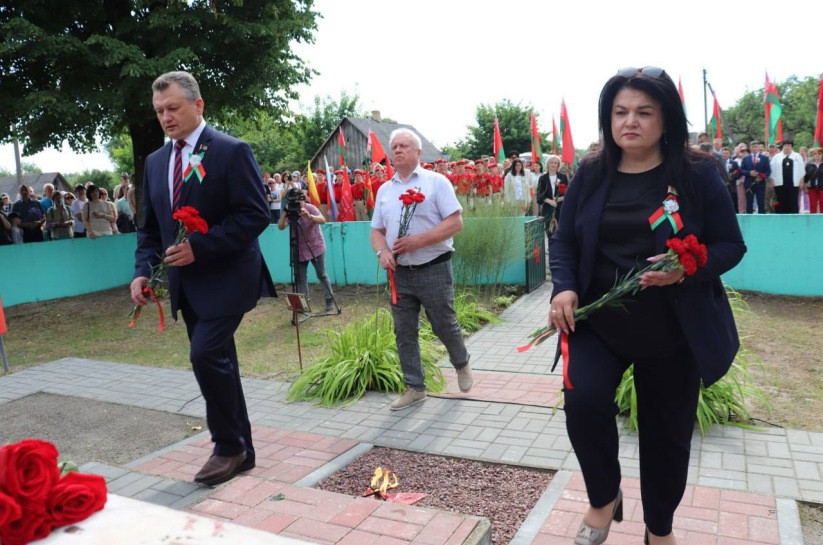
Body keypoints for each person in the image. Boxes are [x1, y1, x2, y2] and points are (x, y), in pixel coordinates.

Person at [549, 67, 746, 545]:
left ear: (666, 119)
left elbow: (730, 245)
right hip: (600, 321)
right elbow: (565, 240)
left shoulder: (697, 173)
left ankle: (659, 528)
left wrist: (687, 268)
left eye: (643, 112)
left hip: (674, 329)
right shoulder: (592, 173)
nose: (629, 122)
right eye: (620, 112)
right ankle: (604, 497)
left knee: (667, 436)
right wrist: (564, 288)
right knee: (583, 403)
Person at [130, 70, 275, 487]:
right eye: (160, 111)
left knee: (205, 355)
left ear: (198, 105)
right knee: (219, 361)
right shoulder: (156, 162)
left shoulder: (231, 150)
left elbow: (255, 215)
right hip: (186, 286)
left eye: (173, 108)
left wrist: (202, 246)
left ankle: (227, 447)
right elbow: (151, 229)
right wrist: (143, 272)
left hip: (229, 277)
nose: (166, 117)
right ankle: (243, 450)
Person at [370, 128, 473, 411]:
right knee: (403, 331)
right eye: (394, 147)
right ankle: (415, 387)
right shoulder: (385, 190)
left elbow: (455, 222)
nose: (397, 150)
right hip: (400, 273)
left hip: (433, 268)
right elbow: (376, 231)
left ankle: (461, 363)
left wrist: (418, 240)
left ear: (418, 152)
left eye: (403, 146)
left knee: (444, 324)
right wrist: (382, 252)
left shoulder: (436, 182)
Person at [277, 183, 336, 314]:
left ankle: (329, 300)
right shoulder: (290, 212)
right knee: (300, 278)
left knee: (322, 274)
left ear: (302, 199)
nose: (296, 204)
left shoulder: (310, 208)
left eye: (298, 201)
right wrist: (285, 213)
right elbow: (280, 227)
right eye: (293, 201)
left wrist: (309, 216)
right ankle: (304, 305)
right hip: (299, 248)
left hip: (316, 246)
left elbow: (323, 220)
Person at [770, 138, 805, 214]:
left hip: (794, 183)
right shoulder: (776, 157)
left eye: (789, 145)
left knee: (793, 201)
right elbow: (772, 170)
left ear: (792, 146)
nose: (787, 147)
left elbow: (802, 170)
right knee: (781, 201)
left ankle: (793, 217)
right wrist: (772, 181)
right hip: (779, 183)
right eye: (785, 145)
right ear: (783, 146)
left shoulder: (797, 156)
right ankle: (781, 217)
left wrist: (801, 181)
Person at [536, 155, 569, 235]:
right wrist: (550, 201)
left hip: (561, 208)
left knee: (561, 232)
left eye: (555, 163)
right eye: (551, 163)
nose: (553, 164)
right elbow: (539, 196)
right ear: (548, 164)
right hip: (548, 209)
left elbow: (568, 193)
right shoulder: (542, 178)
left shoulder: (563, 177)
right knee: (550, 232)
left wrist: (559, 199)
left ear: (558, 165)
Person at [740, 140, 771, 214]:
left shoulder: (764, 158)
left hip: (760, 184)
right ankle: (749, 218)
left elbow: (768, 171)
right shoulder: (746, 158)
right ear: (750, 148)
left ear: (758, 147)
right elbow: (741, 170)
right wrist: (749, 173)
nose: (754, 148)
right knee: (749, 203)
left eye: (755, 146)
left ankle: (761, 218)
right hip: (749, 184)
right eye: (752, 147)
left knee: (761, 202)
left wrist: (762, 177)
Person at [805, 147, 823, 214]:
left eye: (819, 153)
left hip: (822, 188)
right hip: (812, 188)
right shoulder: (809, 165)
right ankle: (813, 219)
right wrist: (805, 186)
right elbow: (805, 177)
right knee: (812, 205)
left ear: (822, 155)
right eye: (815, 154)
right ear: (813, 155)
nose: (817, 155)